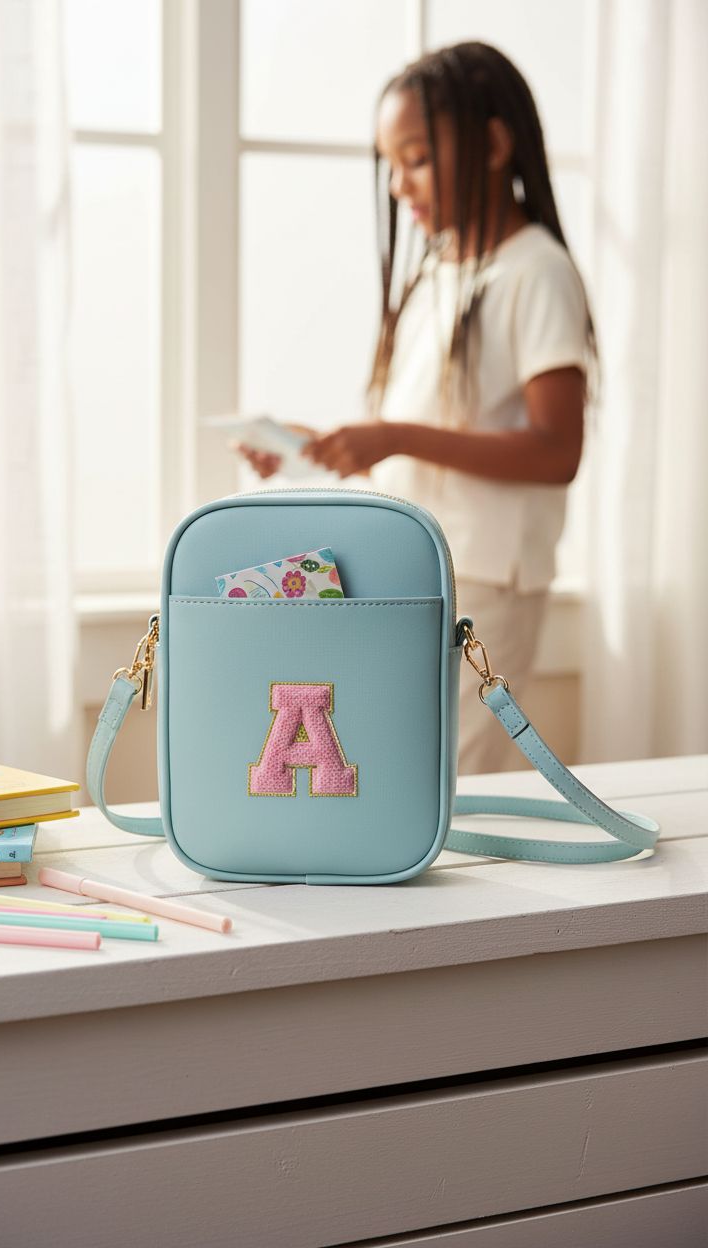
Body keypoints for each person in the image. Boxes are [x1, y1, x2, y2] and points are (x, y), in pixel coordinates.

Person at [235, 42, 595, 774]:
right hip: (416, 570)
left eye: (418, 159)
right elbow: (433, 438)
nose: (399, 185)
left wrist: (394, 436)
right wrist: (325, 446)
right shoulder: (436, 274)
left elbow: (558, 449)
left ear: (493, 145)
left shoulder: (536, 272)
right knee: (398, 779)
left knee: (448, 782)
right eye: (390, 164)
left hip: (486, 579)